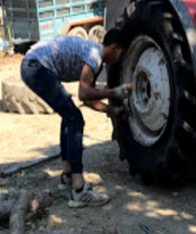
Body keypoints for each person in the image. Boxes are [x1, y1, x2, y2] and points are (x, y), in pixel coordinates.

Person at [20, 28, 131, 208]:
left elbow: (88, 100)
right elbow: (84, 93)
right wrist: (116, 92)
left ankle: (67, 176)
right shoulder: (95, 55)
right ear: (115, 48)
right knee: (74, 118)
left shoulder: (95, 58)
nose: (119, 59)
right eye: (121, 53)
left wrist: (113, 110)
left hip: (33, 63)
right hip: (36, 65)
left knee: (69, 115)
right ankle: (79, 190)